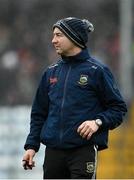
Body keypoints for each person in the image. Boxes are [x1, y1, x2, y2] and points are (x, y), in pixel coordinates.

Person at [22, 17, 127, 179]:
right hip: (53, 154)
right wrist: (31, 147)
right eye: (53, 35)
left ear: (74, 37)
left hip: (83, 152)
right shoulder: (50, 72)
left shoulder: (97, 71)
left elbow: (118, 109)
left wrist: (97, 122)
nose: (53, 40)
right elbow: (39, 114)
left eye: (58, 35)